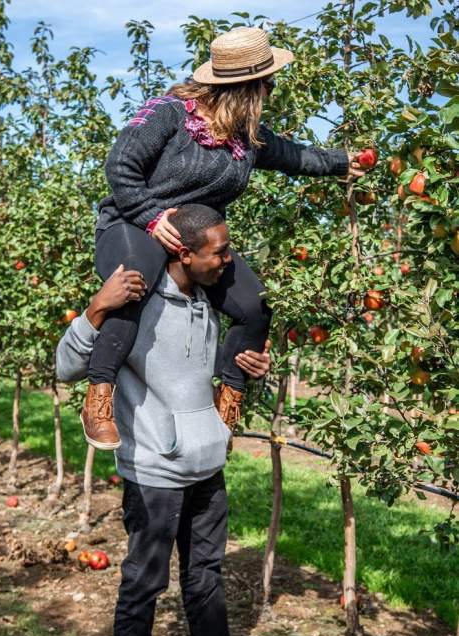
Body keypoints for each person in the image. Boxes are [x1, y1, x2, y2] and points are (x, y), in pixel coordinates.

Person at [81, 25, 365, 452]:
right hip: (132, 223)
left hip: (196, 242)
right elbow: (120, 166)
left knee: (256, 306)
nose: (271, 90)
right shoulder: (169, 112)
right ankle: (99, 393)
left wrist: (345, 162)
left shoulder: (245, 135)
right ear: (246, 88)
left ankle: (226, 399)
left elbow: (294, 155)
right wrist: (151, 217)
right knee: (133, 283)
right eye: (267, 83)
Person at [56, 204, 272, 636]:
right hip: (154, 472)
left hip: (207, 464)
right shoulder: (136, 306)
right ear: (183, 251)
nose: (228, 260)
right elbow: (64, 368)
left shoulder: (209, 305)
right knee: (142, 587)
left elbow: (205, 382)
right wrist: (94, 311)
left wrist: (252, 373)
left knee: (205, 578)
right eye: (218, 251)